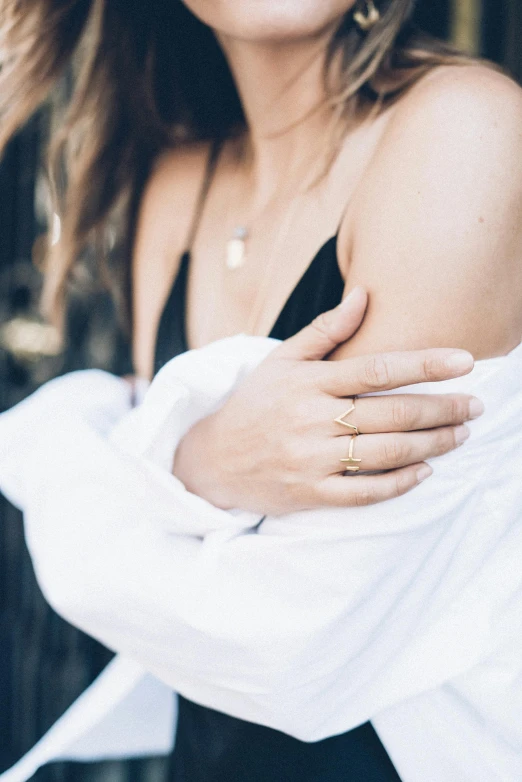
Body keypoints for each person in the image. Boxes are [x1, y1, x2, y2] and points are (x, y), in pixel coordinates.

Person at [0, 1, 521, 781]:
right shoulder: (178, 186)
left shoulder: (466, 133)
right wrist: (199, 458)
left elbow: (296, 645)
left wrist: (143, 476)